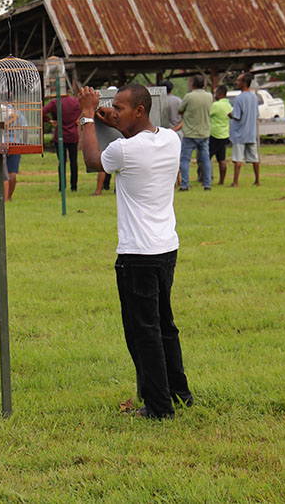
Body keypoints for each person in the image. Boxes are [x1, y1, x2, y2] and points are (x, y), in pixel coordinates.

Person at [78, 83, 193, 420]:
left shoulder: (124, 151)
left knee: (144, 333)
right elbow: (139, 142)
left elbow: (93, 160)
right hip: (166, 248)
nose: (113, 110)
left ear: (140, 111)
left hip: (137, 256)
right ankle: (179, 393)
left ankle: (158, 408)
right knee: (164, 325)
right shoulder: (170, 139)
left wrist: (87, 116)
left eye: (121, 107)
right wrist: (119, 124)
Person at [174, 74, 212, 191]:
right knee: (205, 159)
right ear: (204, 84)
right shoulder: (209, 96)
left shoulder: (189, 97)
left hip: (190, 133)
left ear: (192, 84)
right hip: (204, 132)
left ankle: (185, 184)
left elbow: (180, 110)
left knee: (185, 159)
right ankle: (207, 184)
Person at [43, 90, 81, 192]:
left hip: (60, 135)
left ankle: (62, 186)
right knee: (74, 162)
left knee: (62, 162)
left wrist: (49, 121)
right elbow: (86, 111)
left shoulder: (55, 102)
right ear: (68, 91)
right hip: (73, 135)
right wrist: (79, 120)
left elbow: (42, 111)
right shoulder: (76, 102)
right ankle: (74, 186)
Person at [228, 73, 261, 187]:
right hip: (251, 133)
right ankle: (257, 180)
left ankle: (235, 182)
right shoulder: (254, 97)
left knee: (238, 159)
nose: (236, 83)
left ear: (244, 83)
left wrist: (230, 115)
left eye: (238, 81)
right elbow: (256, 114)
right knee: (254, 158)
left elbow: (237, 116)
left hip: (240, 133)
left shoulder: (239, 99)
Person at [204, 85, 232, 185]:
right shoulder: (228, 105)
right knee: (222, 159)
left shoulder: (216, 105)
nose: (214, 95)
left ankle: (206, 179)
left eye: (215, 93)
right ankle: (221, 181)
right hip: (224, 134)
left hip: (214, 133)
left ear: (220, 94)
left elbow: (207, 114)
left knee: (207, 157)